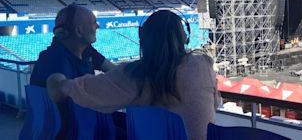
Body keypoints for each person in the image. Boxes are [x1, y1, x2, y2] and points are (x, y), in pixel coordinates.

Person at [47, 10, 220, 140]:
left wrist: (59, 83)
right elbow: (216, 104)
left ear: (143, 39)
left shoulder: (134, 75)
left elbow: (74, 90)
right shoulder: (203, 65)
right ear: (185, 37)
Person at [30, 5, 115, 88]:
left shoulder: (86, 49)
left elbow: (114, 70)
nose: (97, 26)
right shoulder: (54, 61)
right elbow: (73, 99)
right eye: (94, 23)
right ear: (78, 31)